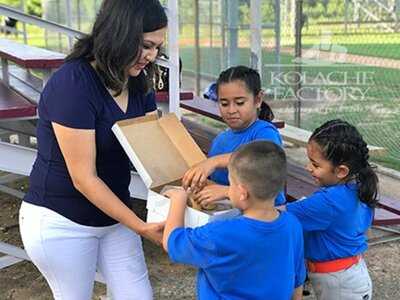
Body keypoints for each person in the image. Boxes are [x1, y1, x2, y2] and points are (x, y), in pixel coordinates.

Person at [18, 1, 167, 299]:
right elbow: (83, 178)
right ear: (120, 35)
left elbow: (154, 154)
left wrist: (188, 183)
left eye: (157, 48)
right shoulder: (73, 83)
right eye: (146, 46)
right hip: (62, 221)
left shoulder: (137, 82)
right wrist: (140, 226)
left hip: (115, 217)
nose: (151, 57)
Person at [163, 141, 305, 300]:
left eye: (230, 184)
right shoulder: (292, 225)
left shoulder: (221, 233)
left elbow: (172, 242)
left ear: (243, 193)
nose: (228, 190)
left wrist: (178, 199)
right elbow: (297, 280)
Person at [285, 119, 378, 300]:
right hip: (348, 275)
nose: (308, 167)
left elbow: (276, 213)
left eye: (315, 164)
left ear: (341, 171)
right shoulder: (357, 185)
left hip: (340, 284)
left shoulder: (329, 202)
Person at [182, 65, 286, 206]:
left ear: (258, 99)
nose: (231, 110)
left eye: (239, 103)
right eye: (224, 104)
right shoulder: (221, 140)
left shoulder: (265, 132)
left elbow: (261, 162)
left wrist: (215, 165)